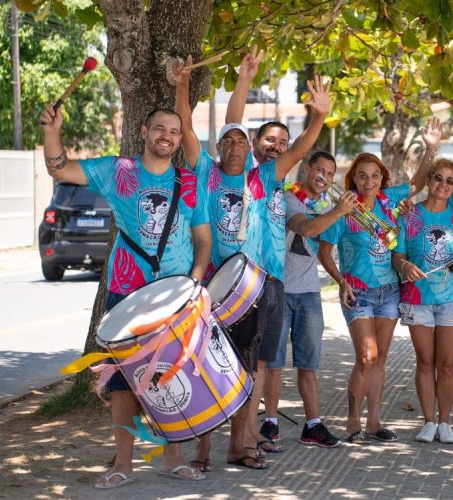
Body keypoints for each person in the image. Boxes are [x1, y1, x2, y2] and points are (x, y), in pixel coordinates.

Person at [40, 103, 211, 488]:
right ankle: (124, 464)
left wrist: (196, 282)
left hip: (176, 297)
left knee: (174, 380)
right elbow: (59, 168)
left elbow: (203, 237)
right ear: (144, 131)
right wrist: (52, 132)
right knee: (123, 383)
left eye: (174, 130)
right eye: (160, 128)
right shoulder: (118, 172)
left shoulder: (188, 181)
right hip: (127, 296)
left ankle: (173, 457)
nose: (166, 136)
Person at [174, 48, 286, 470]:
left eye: (242, 141)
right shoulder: (205, 169)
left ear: (250, 150)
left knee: (247, 370)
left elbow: (237, 127)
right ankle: (202, 451)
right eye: (228, 141)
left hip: (251, 291)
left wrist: (316, 119)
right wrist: (183, 84)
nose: (235, 145)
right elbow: (189, 126)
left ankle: (239, 445)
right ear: (218, 147)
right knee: (204, 366)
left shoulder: (258, 179)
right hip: (208, 290)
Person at [224, 52, 332, 451]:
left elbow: (302, 150)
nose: (277, 147)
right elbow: (231, 123)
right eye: (270, 140)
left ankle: (251, 435)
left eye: (282, 143)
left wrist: (319, 117)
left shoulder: (277, 181)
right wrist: (245, 79)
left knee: (262, 365)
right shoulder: (245, 175)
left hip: (274, 284)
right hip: (238, 282)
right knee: (238, 365)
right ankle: (236, 439)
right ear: (254, 144)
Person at [318, 133, 436, 444]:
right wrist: (340, 280)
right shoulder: (343, 208)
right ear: (353, 179)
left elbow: (418, 183)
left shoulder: (390, 200)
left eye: (374, 175)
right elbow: (324, 251)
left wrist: (431, 149)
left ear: (381, 178)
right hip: (357, 292)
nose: (368, 181)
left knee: (380, 358)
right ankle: (352, 420)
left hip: (389, 291)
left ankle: (373, 423)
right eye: (361, 175)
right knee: (366, 356)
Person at [265, 151, 355, 448]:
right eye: (319, 170)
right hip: (279, 289)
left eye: (330, 174)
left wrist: (342, 280)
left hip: (309, 293)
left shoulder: (329, 205)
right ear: (306, 169)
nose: (324, 177)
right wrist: (338, 212)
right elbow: (306, 228)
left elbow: (325, 249)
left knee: (309, 363)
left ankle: (312, 425)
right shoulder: (289, 198)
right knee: (274, 363)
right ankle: (270, 423)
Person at [391, 155, 453, 444]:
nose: (443, 184)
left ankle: (446, 422)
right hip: (417, 298)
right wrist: (404, 267)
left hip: (451, 298)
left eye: (451, 180)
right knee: (425, 362)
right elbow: (398, 255)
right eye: (438, 177)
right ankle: (428, 421)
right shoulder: (409, 214)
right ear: (429, 179)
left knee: (447, 363)